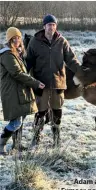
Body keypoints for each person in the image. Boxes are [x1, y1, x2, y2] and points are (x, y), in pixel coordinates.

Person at [26, 14, 82, 146]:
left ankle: (56, 140)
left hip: (58, 84)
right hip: (41, 84)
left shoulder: (62, 41)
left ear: (56, 26)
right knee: (40, 112)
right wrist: (22, 77)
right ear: (44, 26)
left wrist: (81, 72)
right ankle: (36, 137)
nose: (51, 27)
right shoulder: (35, 42)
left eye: (53, 25)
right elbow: (28, 62)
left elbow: (71, 60)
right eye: (49, 25)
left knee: (57, 111)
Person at [0, 27, 45, 155]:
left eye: (18, 38)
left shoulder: (15, 54)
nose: (17, 40)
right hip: (12, 92)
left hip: (18, 91)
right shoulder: (7, 55)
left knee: (18, 120)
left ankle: (15, 145)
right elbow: (17, 73)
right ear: (9, 40)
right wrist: (35, 83)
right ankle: (1, 144)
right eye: (13, 39)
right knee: (16, 122)